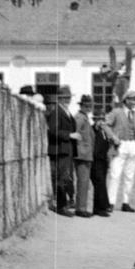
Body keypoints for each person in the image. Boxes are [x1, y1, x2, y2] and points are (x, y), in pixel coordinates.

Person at [105, 91, 135, 213]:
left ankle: (126, 202)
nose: (134, 102)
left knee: (130, 175)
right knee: (115, 174)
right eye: (131, 99)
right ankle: (111, 202)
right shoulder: (117, 112)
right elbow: (105, 125)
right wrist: (114, 138)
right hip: (120, 145)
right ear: (125, 100)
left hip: (132, 145)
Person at [44, 87, 78, 216]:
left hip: (66, 149)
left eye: (68, 98)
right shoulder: (57, 112)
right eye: (65, 98)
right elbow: (53, 130)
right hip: (60, 149)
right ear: (60, 98)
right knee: (61, 177)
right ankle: (61, 205)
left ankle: (64, 202)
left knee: (64, 177)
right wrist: (69, 135)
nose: (67, 100)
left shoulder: (65, 111)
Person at [73, 95, 97, 218]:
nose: (88, 108)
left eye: (90, 106)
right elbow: (75, 134)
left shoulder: (85, 118)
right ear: (81, 106)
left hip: (86, 153)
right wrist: (79, 149)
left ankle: (82, 206)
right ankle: (80, 208)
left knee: (85, 182)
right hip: (82, 154)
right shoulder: (80, 118)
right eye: (86, 106)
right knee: (83, 182)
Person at [90, 107, 115, 215]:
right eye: (98, 118)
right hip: (95, 160)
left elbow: (110, 142)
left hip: (103, 159)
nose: (101, 121)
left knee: (101, 183)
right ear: (94, 119)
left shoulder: (104, 131)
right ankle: (101, 208)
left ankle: (99, 207)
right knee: (99, 183)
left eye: (102, 119)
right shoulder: (93, 129)